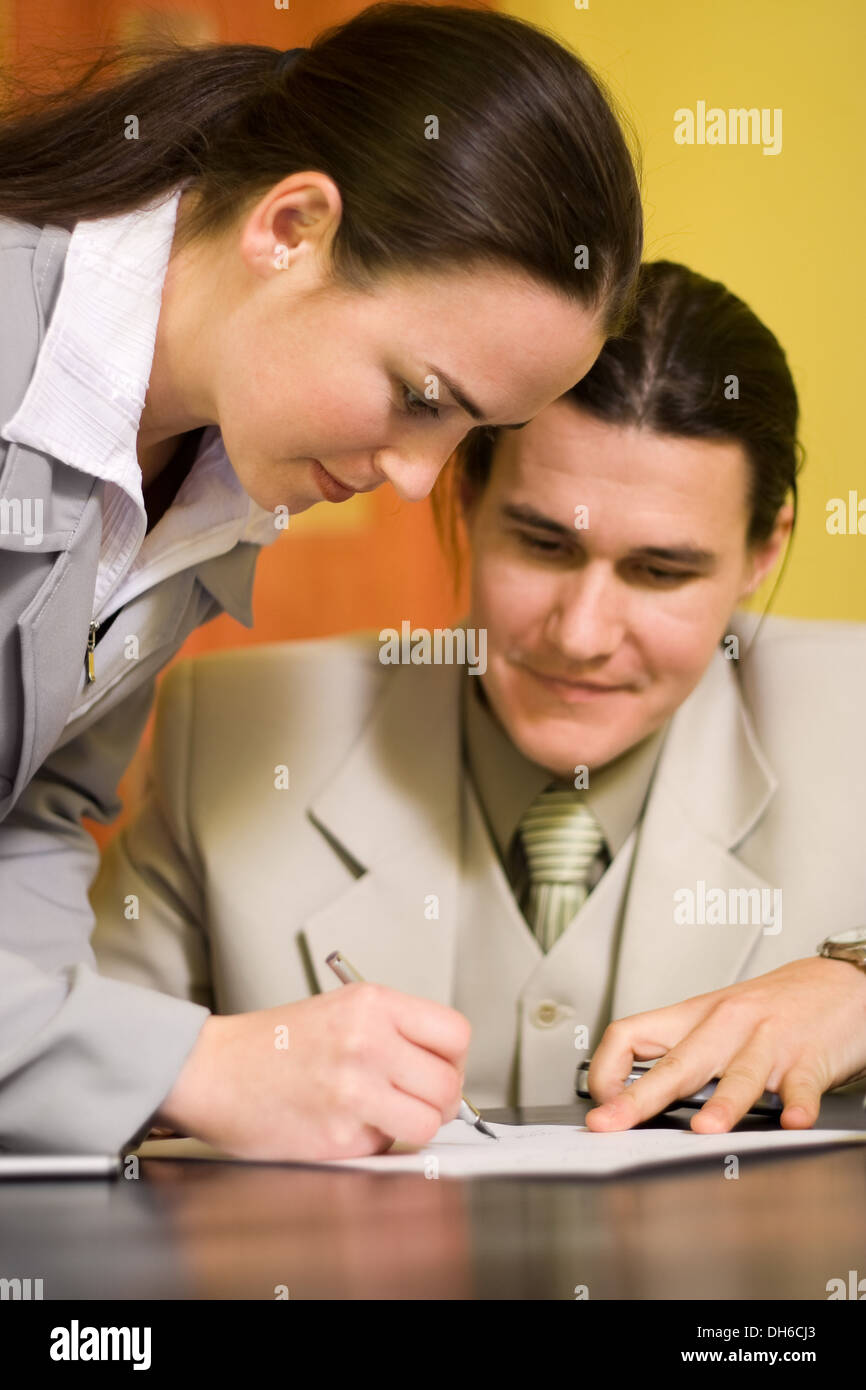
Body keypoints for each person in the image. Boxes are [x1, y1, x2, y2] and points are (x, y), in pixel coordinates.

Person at [0, 4, 644, 1154]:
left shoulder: (218, 480)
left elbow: (30, 810)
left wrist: (57, 1105)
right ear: (290, 225)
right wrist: (180, 1065)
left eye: (469, 435)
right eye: (419, 394)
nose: (414, 480)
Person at [91, 260, 866, 1159]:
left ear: (763, 549)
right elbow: (62, 1075)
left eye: (661, 571)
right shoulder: (231, 727)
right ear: (462, 498)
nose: (580, 633)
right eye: (543, 546)